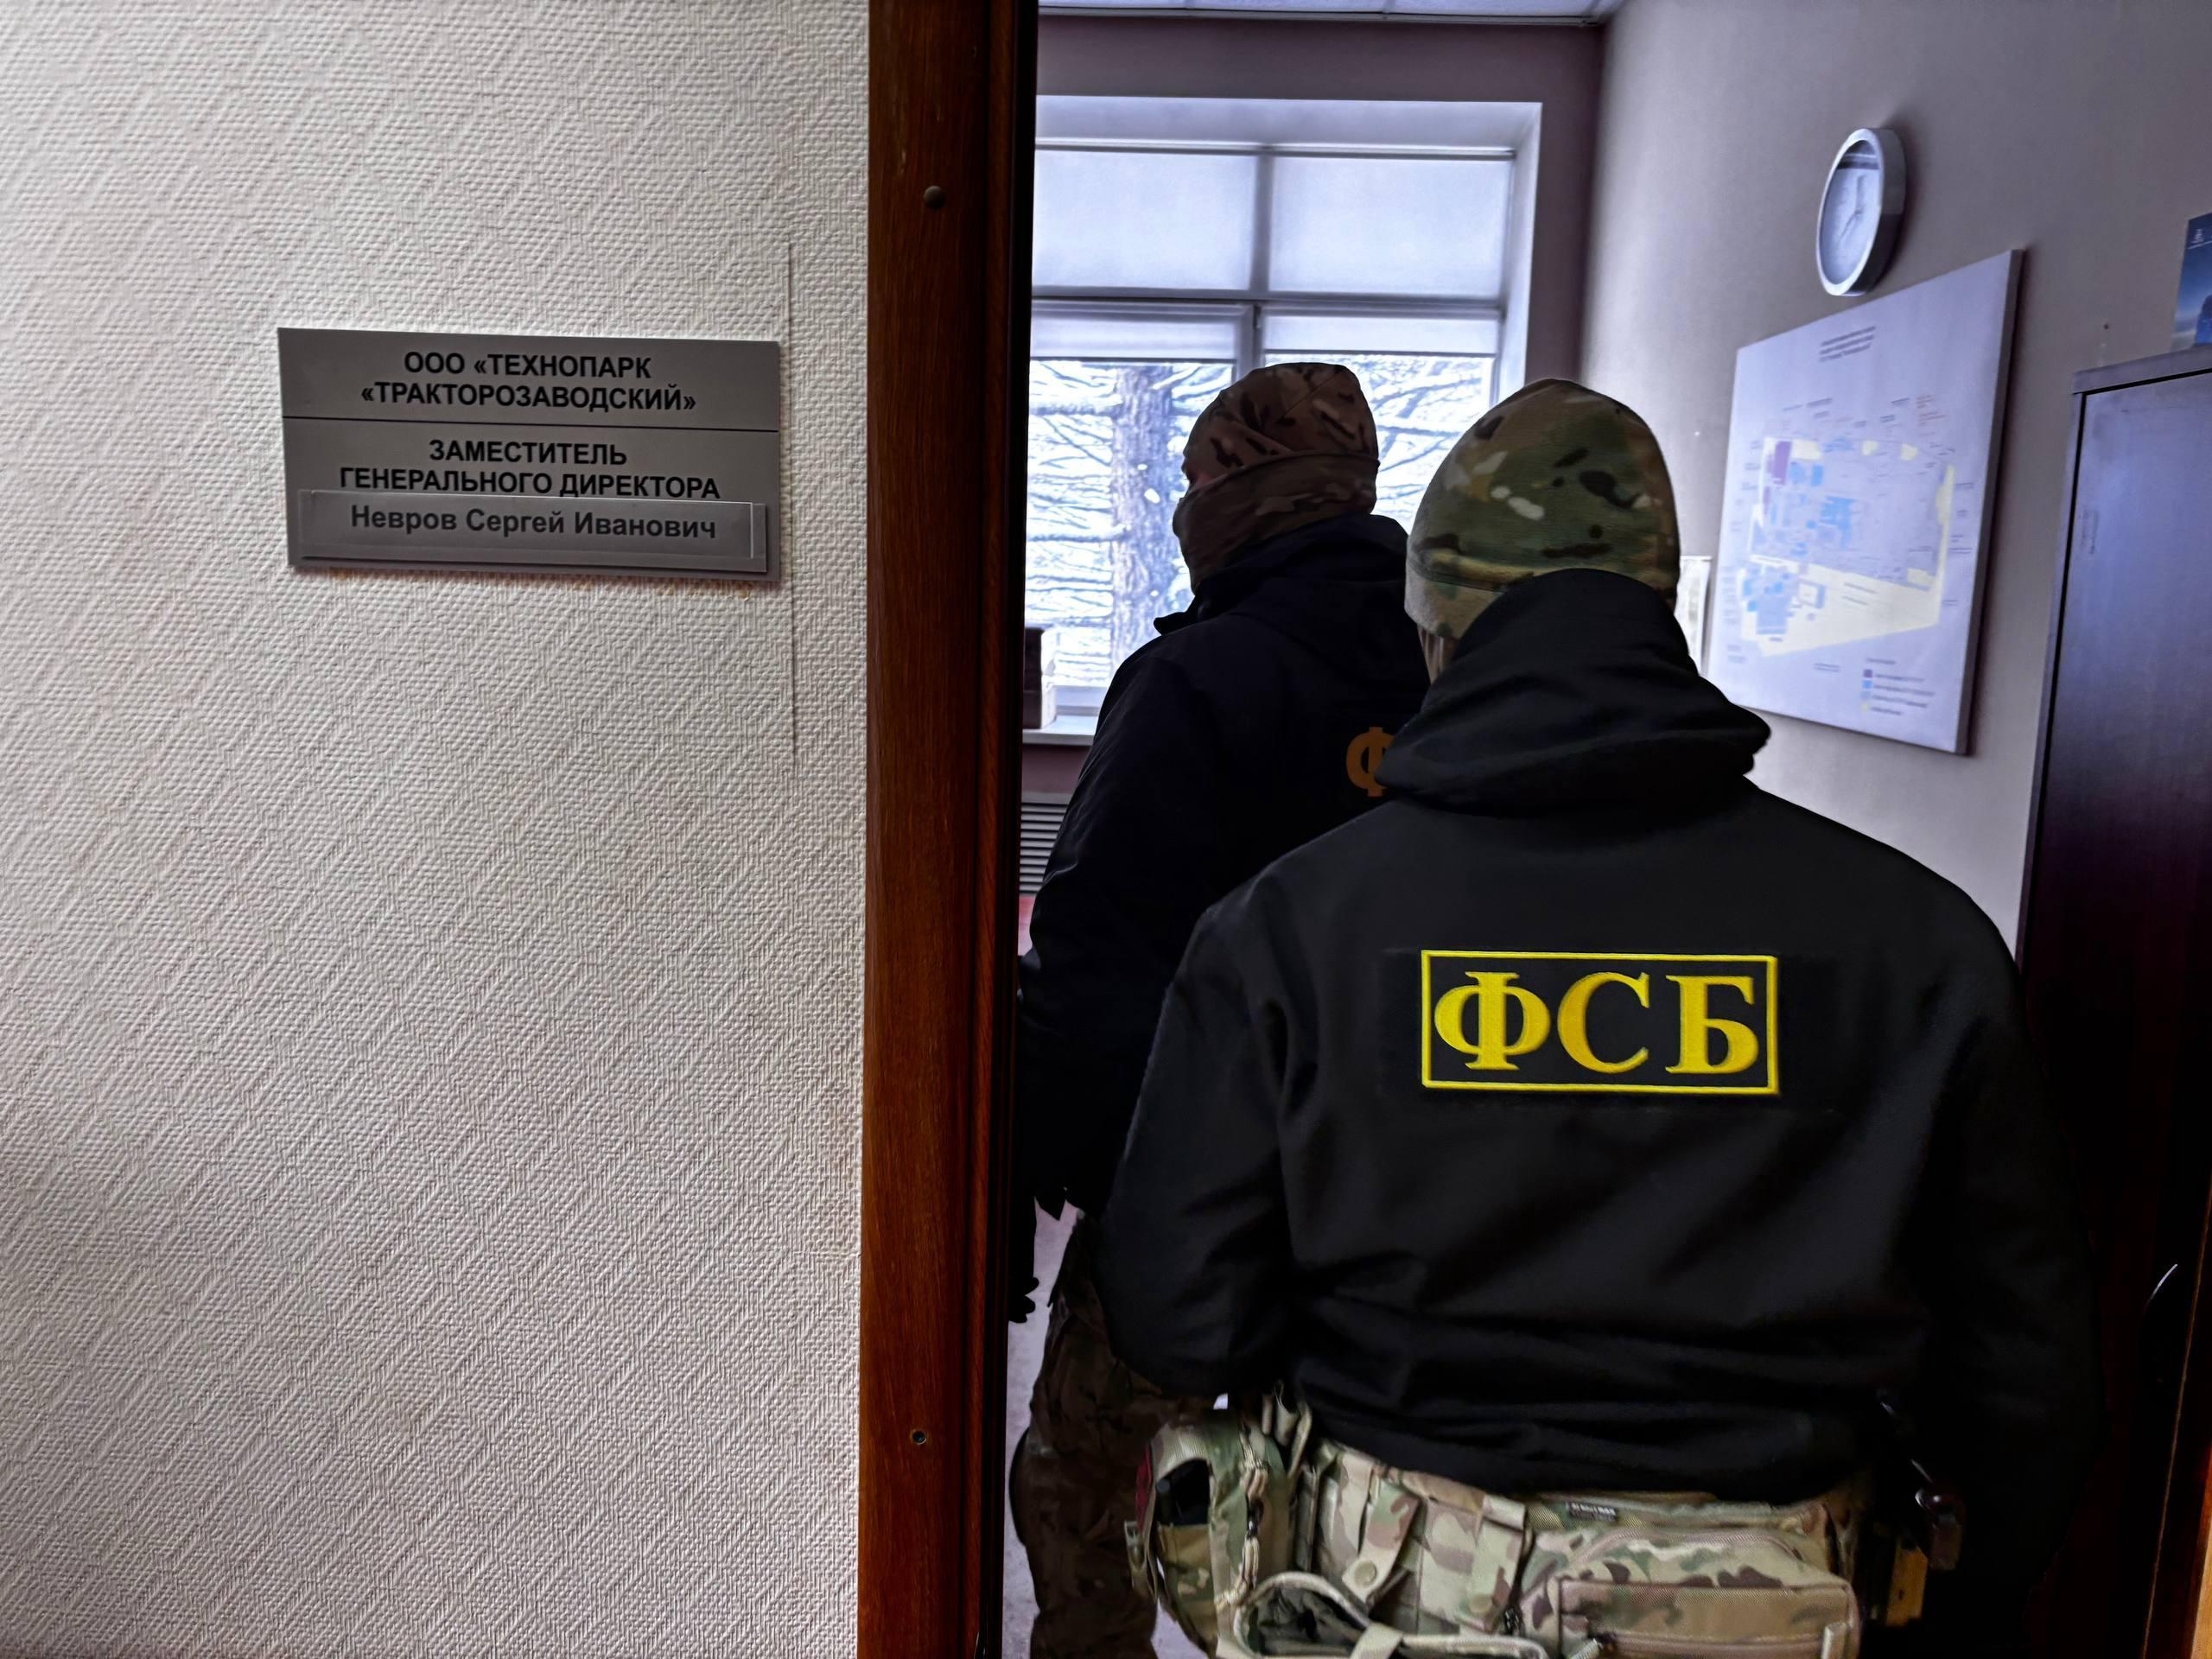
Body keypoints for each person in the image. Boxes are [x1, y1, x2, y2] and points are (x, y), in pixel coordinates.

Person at [1096, 378, 2101, 1652]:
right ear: (1659, 606)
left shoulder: (1289, 930)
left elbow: (1177, 1316)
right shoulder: (1918, 945)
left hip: (1385, 1599)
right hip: (1780, 1605)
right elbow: (2026, 1379)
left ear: (1436, 626)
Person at [1011, 362, 1431, 1659]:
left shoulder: (1197, 679)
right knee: (1364, 1512)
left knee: (1081, 1483)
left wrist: (1051, 1166)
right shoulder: (1451, 673)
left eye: (1194, 481)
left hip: (1203, 1187)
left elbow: (1096, 954)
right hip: (1414, 1200)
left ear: (1240, 493)